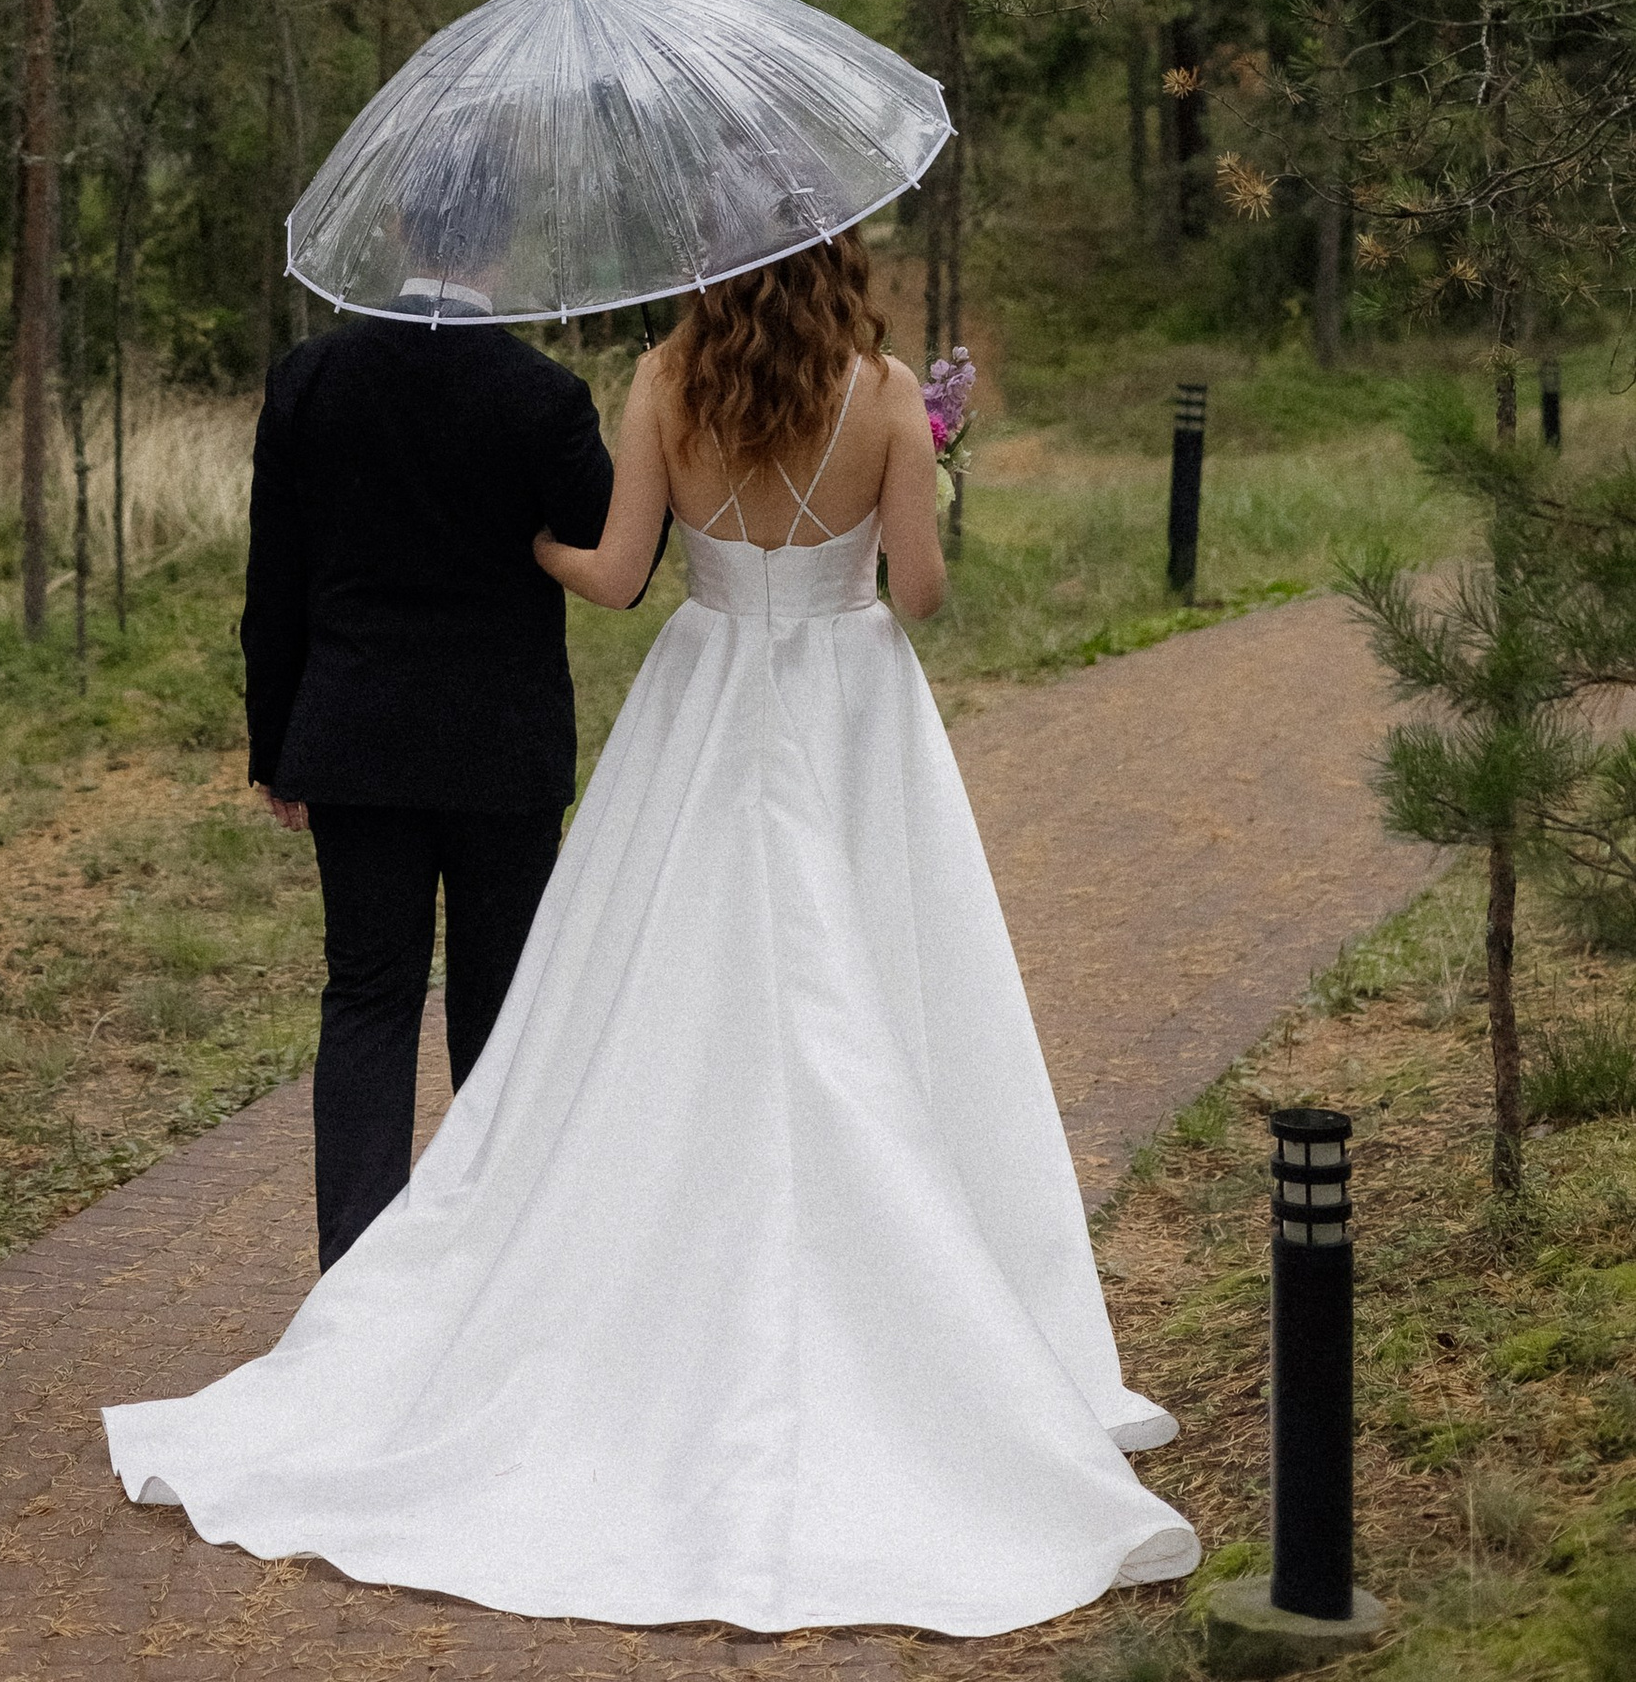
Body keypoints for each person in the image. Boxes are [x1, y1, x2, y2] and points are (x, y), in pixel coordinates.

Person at [105, 223, 1200, 1639]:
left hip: (703, 702)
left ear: (714, 271)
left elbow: (618, 574)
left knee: (639, 1003)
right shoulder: (879, 397)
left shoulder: (663, 382)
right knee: (874, 995)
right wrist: (934, 458)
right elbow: (919, 594)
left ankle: (528, 1276)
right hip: (848, 714)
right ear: (836, 262)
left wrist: (538, 542)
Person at [235, 143, 626, 1270]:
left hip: (352, 740)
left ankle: (355, 1282)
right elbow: (610, 550)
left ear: (402, 230)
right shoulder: (544, 397)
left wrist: (280, 749)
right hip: (501, 752)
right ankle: (490, 1268)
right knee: (499, 1011)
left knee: (366, 996)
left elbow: (276, 585)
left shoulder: (312, 379)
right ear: (500, 244)